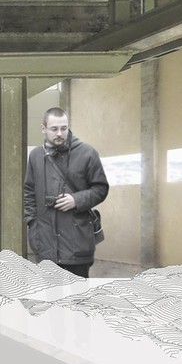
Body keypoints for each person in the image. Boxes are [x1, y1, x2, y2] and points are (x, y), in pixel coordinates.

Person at [23, 107, 109, 278]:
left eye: (64, 128)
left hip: (77, 244)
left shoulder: (88, 153)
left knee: (77, 300)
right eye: (54, 129)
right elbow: (29, 192)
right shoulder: (35, 156)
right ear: (43, 129)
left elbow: (101, 188)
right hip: (45, 244)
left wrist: (76, 200)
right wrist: (33, 224)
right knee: (49, 300)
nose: (60, 133)